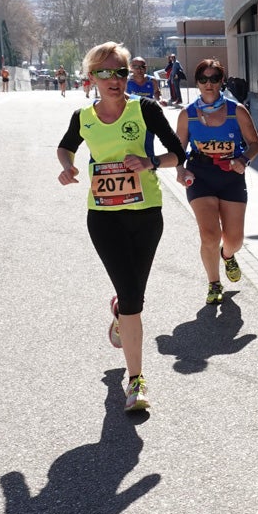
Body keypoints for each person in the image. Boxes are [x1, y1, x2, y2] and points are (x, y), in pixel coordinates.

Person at [56, 41, 187, 413]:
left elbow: (178, 152)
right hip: (104, 216)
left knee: (133, 298)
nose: (114, 80)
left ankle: (120, 314)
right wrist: (67, 166)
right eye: (105, 73)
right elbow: (65, 147)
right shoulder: (83, 118)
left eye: (120, 72)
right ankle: (136, 381)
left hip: (146, 213)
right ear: (92, 77)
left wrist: (150, 162)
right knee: (133, 300)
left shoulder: (144, 109)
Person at [175, 58, 258, 305]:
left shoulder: (237, 111)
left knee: (235, 239)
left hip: (231, 176)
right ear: (197, 82)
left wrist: (243, 159)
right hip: (200, 174)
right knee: (209, 235)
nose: (208, 84)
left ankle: (228, 255)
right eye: (203, 79)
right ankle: (214, 284)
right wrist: (180, 171)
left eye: (214, 79)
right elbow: (178, 150)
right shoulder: (187, 114)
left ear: (221, 81)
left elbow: (256, 143)